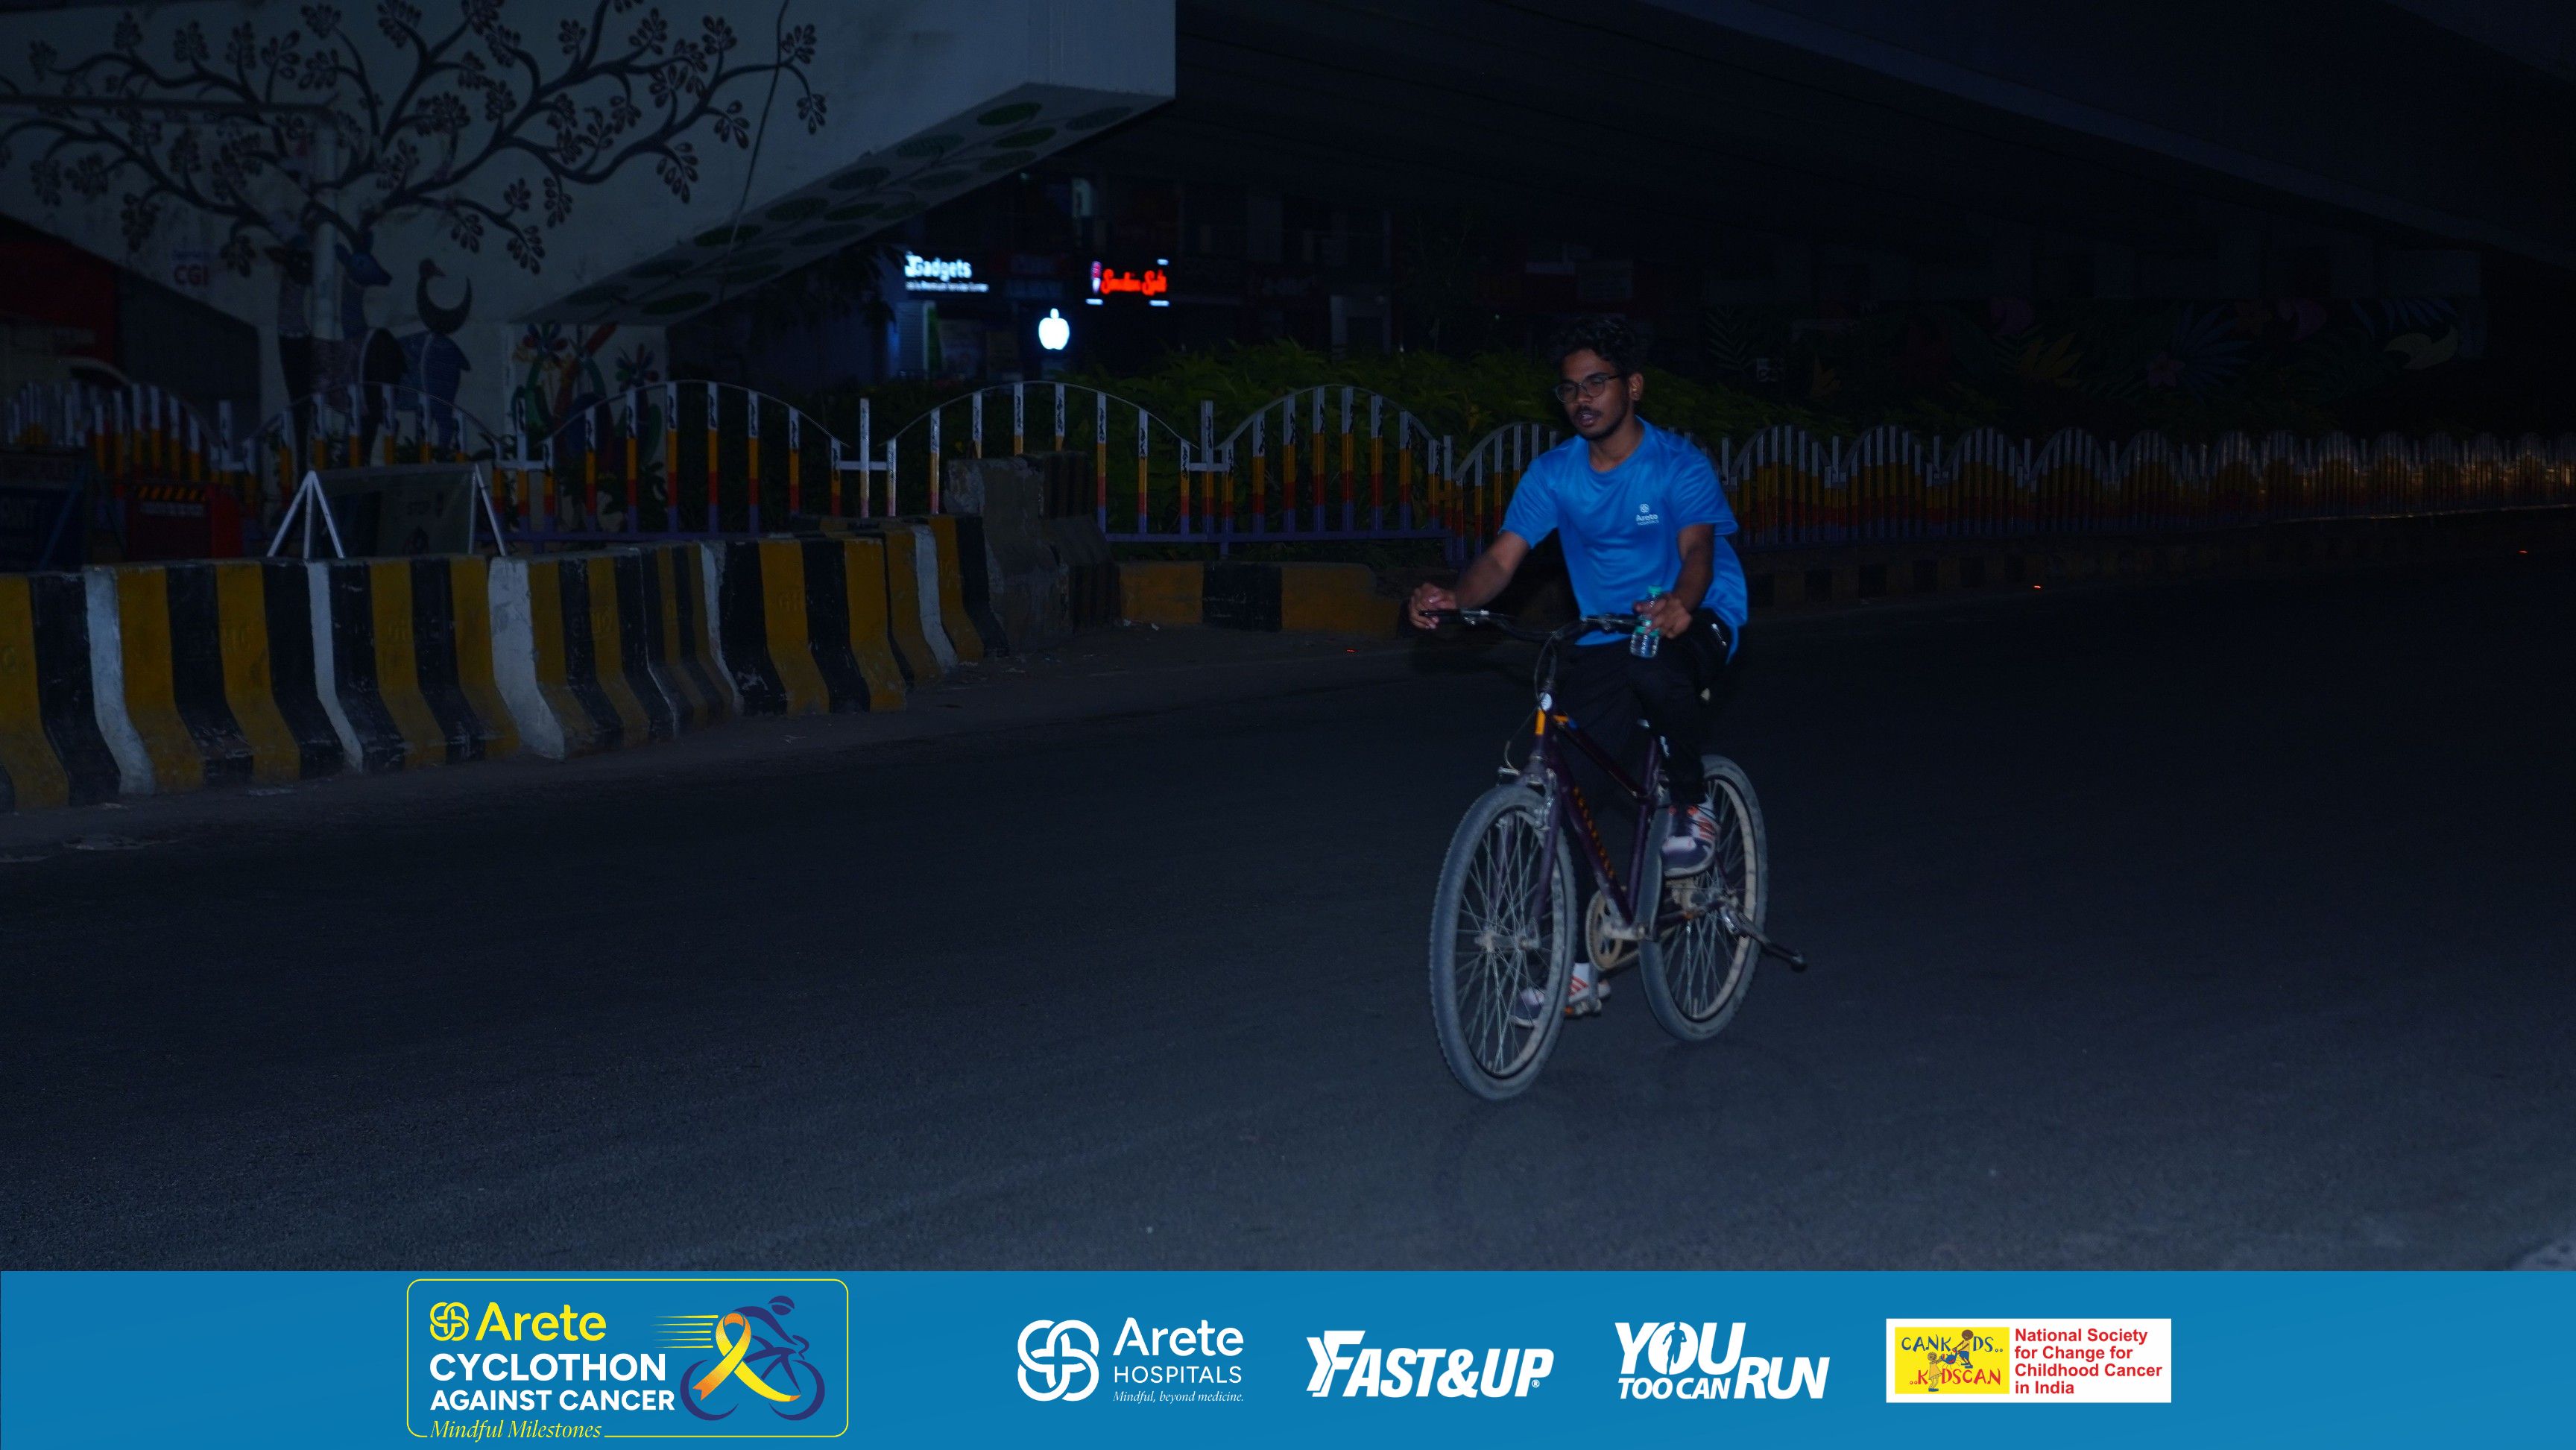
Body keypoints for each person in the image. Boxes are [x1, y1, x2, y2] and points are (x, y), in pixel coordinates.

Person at [1407, 315, 1748, 1018]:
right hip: (1603, 636)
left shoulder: (1677, 464)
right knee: (1564, 791)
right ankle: (1583, 965)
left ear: (1633, 387)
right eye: (1569, 389)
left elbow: (1697, 555)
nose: (1582, 399)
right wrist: (1455, 598)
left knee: (1653, 667)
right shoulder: (1555, 474)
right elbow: (1502, 558)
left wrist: (1681, 605)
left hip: (1696, 615)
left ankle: (1692, 803)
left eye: (1596, 383)